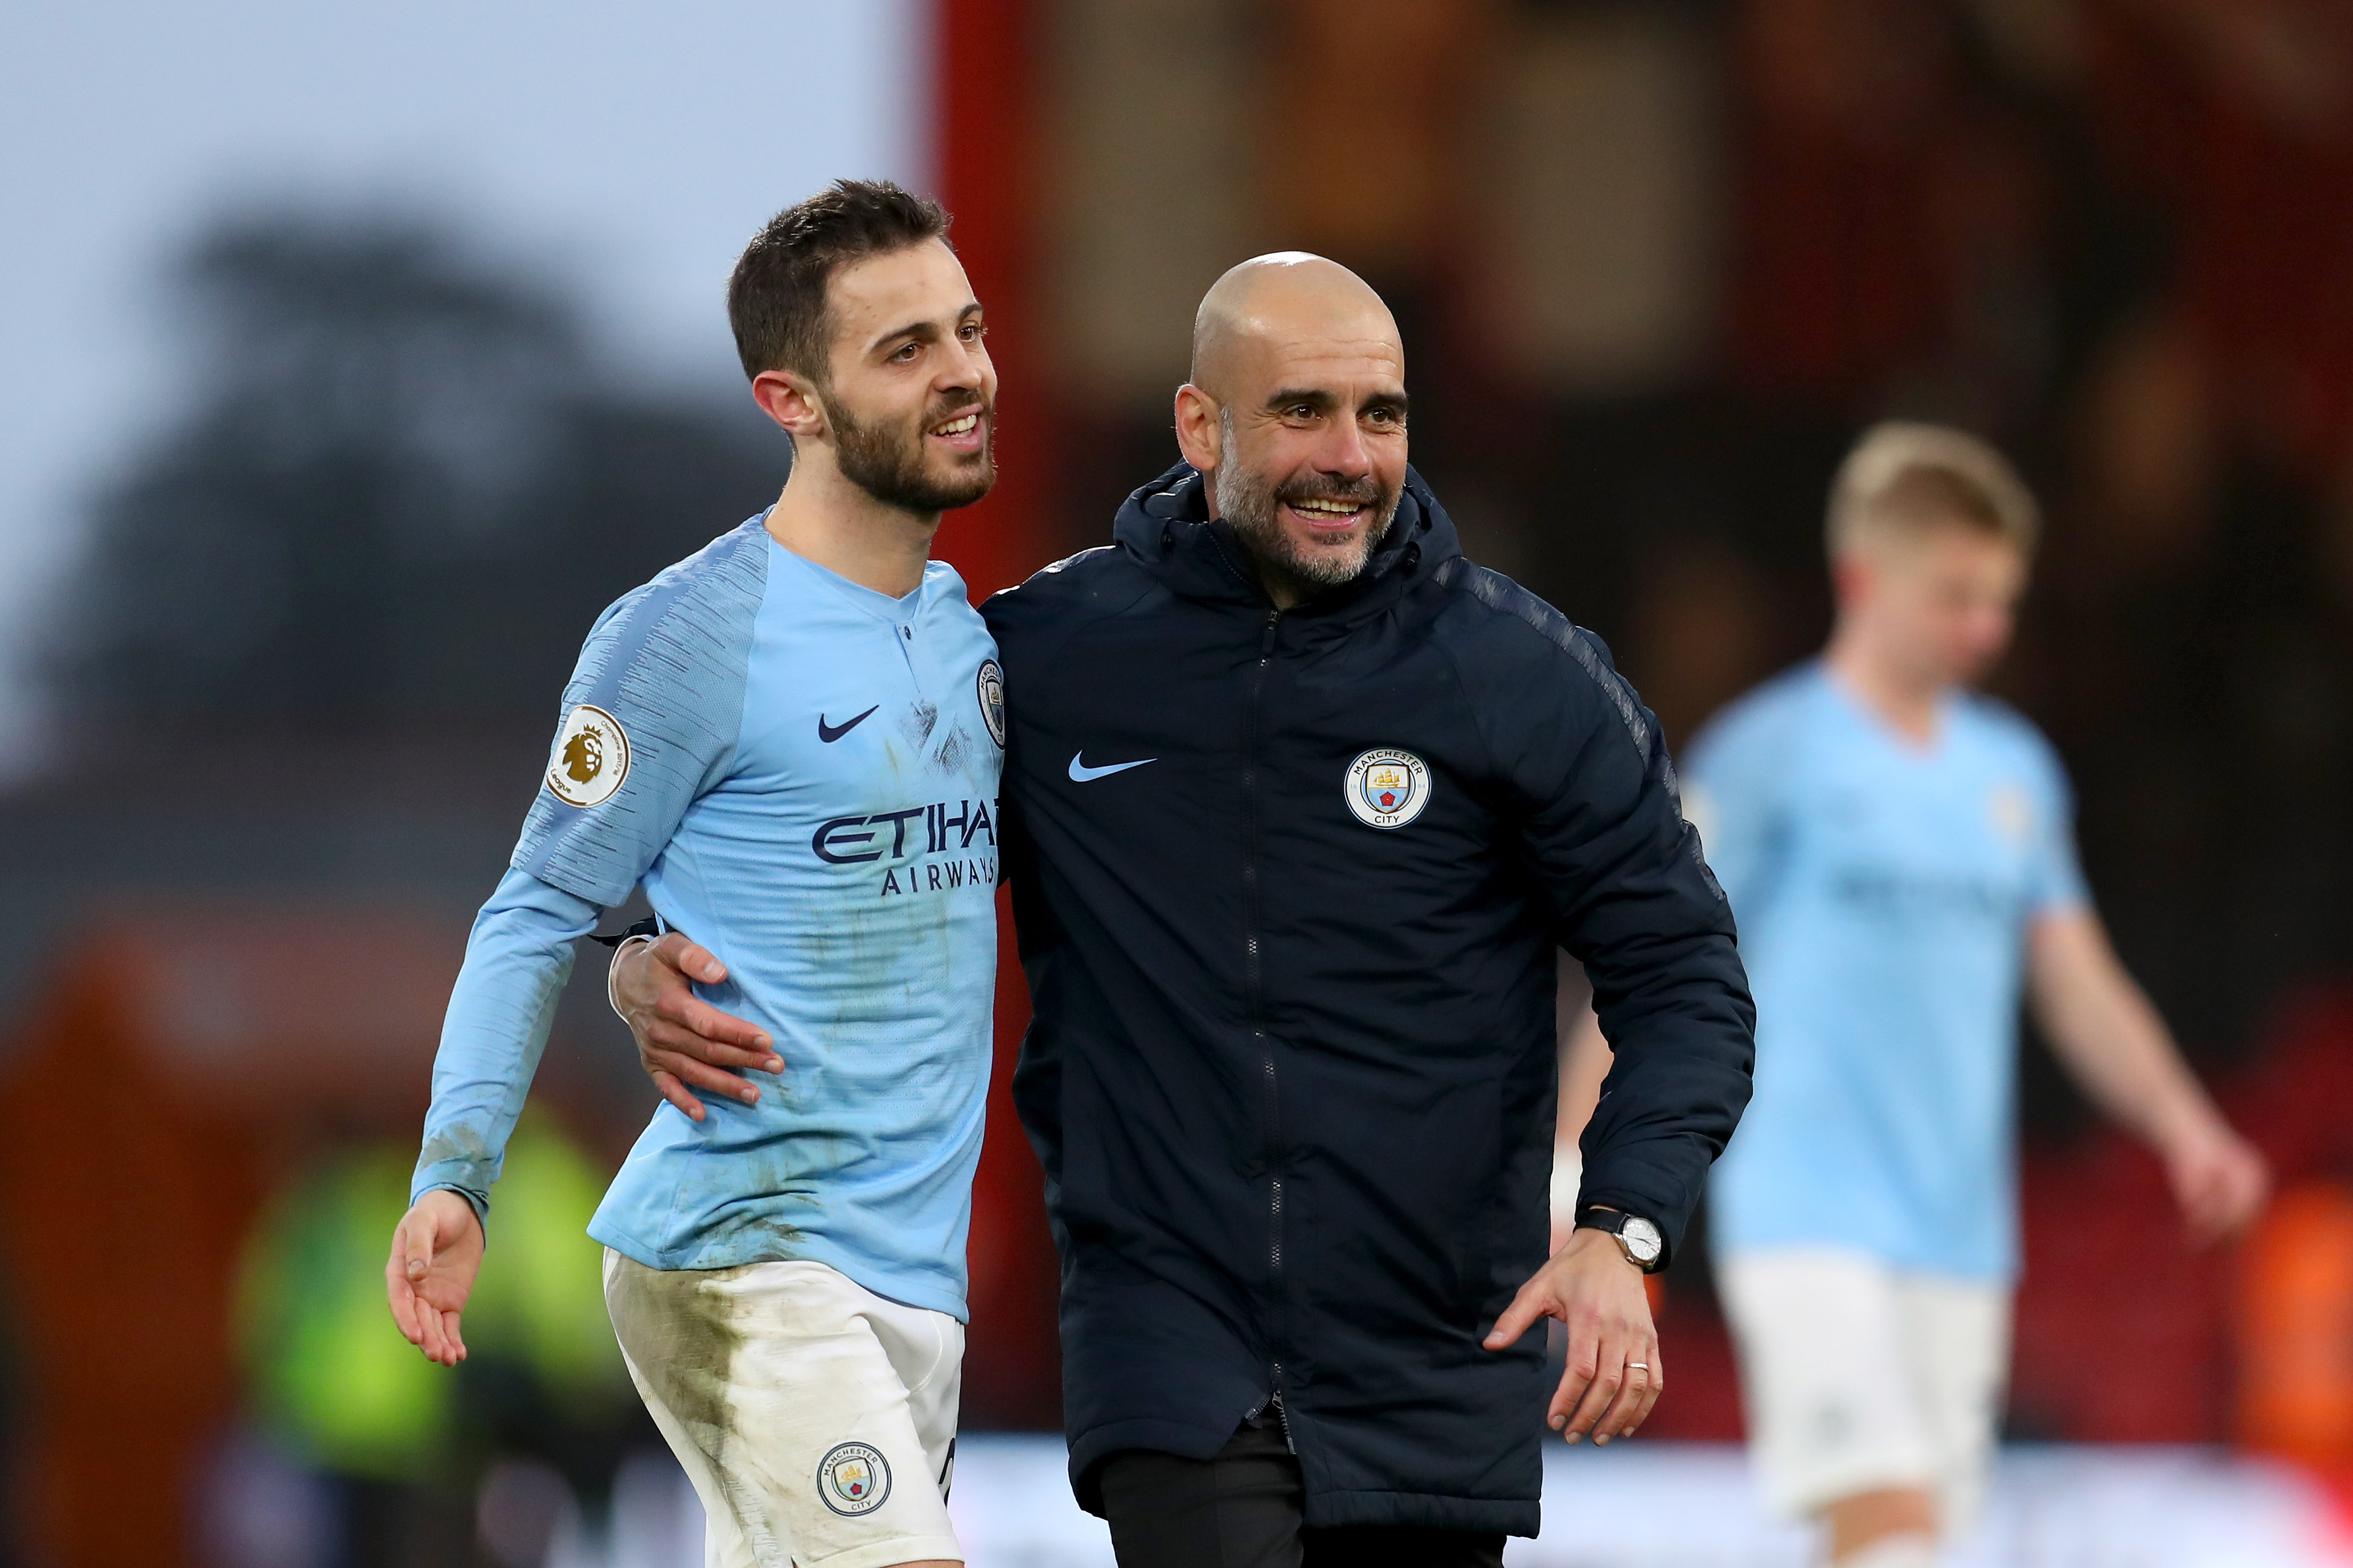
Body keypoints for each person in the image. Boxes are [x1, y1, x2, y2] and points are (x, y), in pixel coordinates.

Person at [617, 252, 1758, 1566]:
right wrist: (636, 947)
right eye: (1302, 412)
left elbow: (1683, 978)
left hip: (1436, 1360)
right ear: (1198, 426)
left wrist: (1623, 1227)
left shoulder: (1523, 678)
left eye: (1379, 415)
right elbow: (816, 818)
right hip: (1171, 1347)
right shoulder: (1043, 657)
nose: (1349, 456)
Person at [384, 178, 1008, 1568]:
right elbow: (537, 903)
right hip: (747, 1252)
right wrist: (457, 1174)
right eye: (905, 349)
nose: (964, 373)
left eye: (964, 330)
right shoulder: (681, 638)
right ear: (789, 400)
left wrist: (636, 963)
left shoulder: (971, 636)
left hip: (916, 1277)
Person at [1661, 422, 2270, 1568]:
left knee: (1900, 1541)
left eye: (1999, 600)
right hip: (1803, 1204)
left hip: (1953, 1222)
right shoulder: (1766, 753)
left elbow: (2075, 980)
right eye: (1953, 596)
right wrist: (1579, 1162)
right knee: (1885, 1520)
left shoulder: (2010, 775)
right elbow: (1656, 955)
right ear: (1862, 579)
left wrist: (2185, 1126)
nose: (1983, 629)